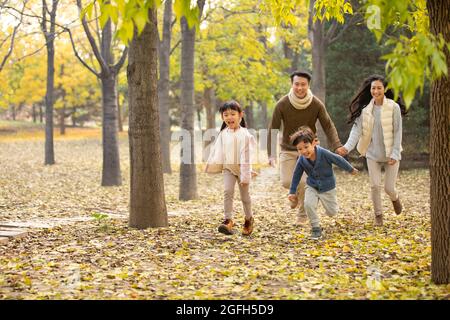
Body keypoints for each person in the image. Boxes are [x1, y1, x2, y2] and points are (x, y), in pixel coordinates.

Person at [268, 71, 346, 225]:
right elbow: (273, 129)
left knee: (304, 182)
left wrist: (337, 145)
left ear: (308, 85)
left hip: (309, 150)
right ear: (292, 85)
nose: (299, 88)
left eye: (303, 84)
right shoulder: (282, 104)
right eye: (296, 84)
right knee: (286, 182)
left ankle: (302, 215)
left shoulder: (316, 104)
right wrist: (271, 154)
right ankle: (294, 195)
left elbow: (328, 125)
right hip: (288, 149)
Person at [341, 75, 407, 226]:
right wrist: (347, 147)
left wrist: (395, 153)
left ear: (385, 89)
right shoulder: (365, 111)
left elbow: (398, 132)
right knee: (374, 185)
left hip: (391, 154)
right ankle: (378, 216)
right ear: (369, 90)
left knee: (389, 188)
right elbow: (356, 131)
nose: (375, 91)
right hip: (372, 155)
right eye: (373, 88)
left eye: (379, 88)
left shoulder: (393, 107)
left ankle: (395, 198)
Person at [288, 126, 358, 240]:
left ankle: (329, 208)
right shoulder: (301, 159)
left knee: (332, 212)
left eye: (306, 147)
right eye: (300, 149)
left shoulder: (324, 153)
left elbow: (338, 159)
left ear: (314, 143)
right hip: (312, 186)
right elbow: (296, 175)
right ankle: (316, 228)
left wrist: (350, 169)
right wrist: (292, 192)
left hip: (328, 187)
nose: (304, 151)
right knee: (308, 204)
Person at [205, 101, 257, 236]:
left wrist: (246, 175)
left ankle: (248, 219)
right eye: (226, 115)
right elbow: (217, 151)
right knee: (227, 192)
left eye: (233, 114)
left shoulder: (245, 135)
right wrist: (213, 164)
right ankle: (228, 220)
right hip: (228, 168)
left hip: (242, 170)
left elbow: (246, 158)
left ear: (240, 115)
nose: (229, 117)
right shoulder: (223, 133)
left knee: (244, 197)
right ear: (222, 117)